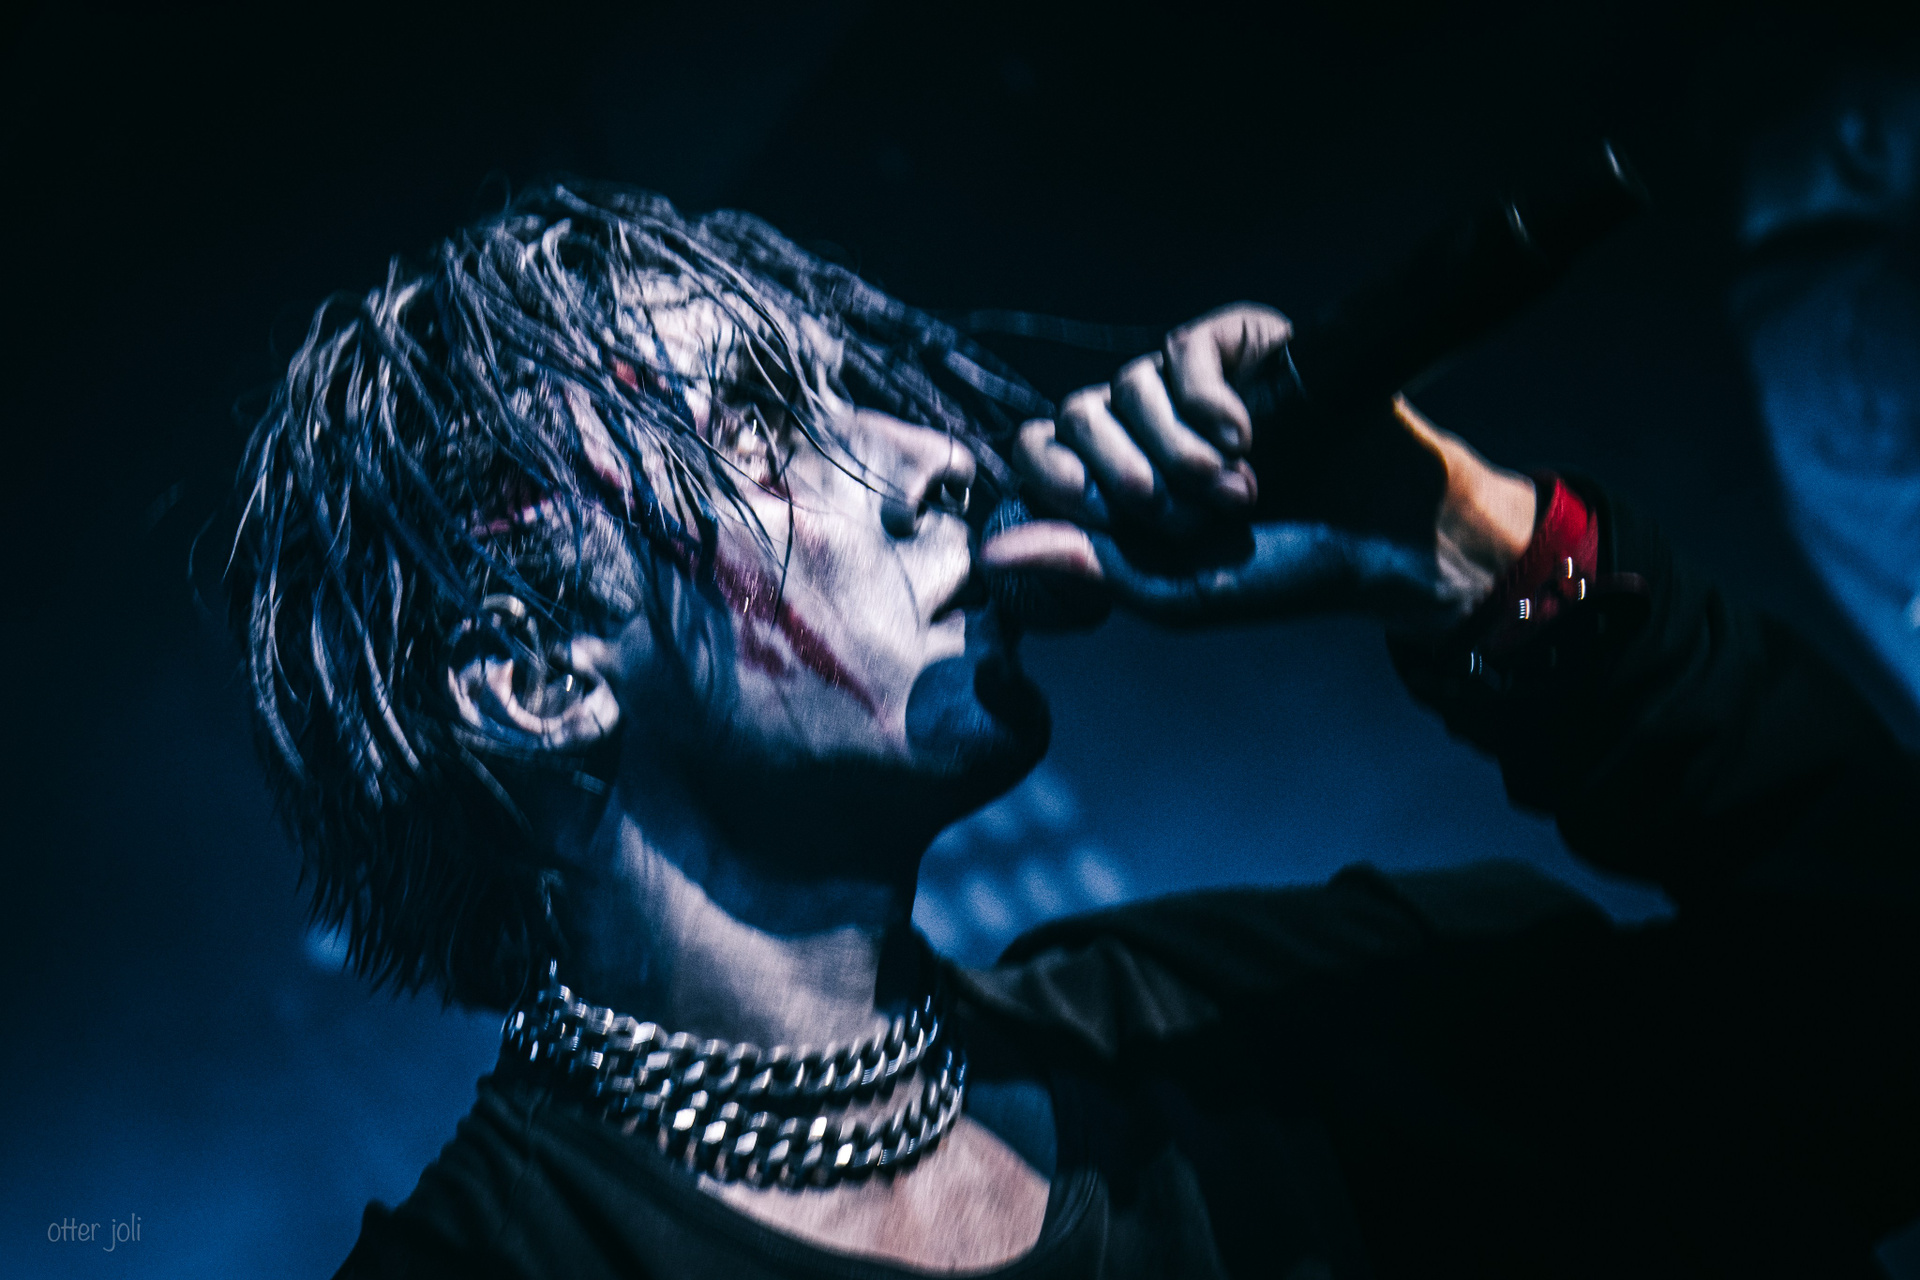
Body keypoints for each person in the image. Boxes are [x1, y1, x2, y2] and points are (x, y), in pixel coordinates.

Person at [229, 183, 1920, 1279]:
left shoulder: (1269, 1030)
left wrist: (1463, 554)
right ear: (536, 680)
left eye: (865, 390)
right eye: (758, 421)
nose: (936, 458)